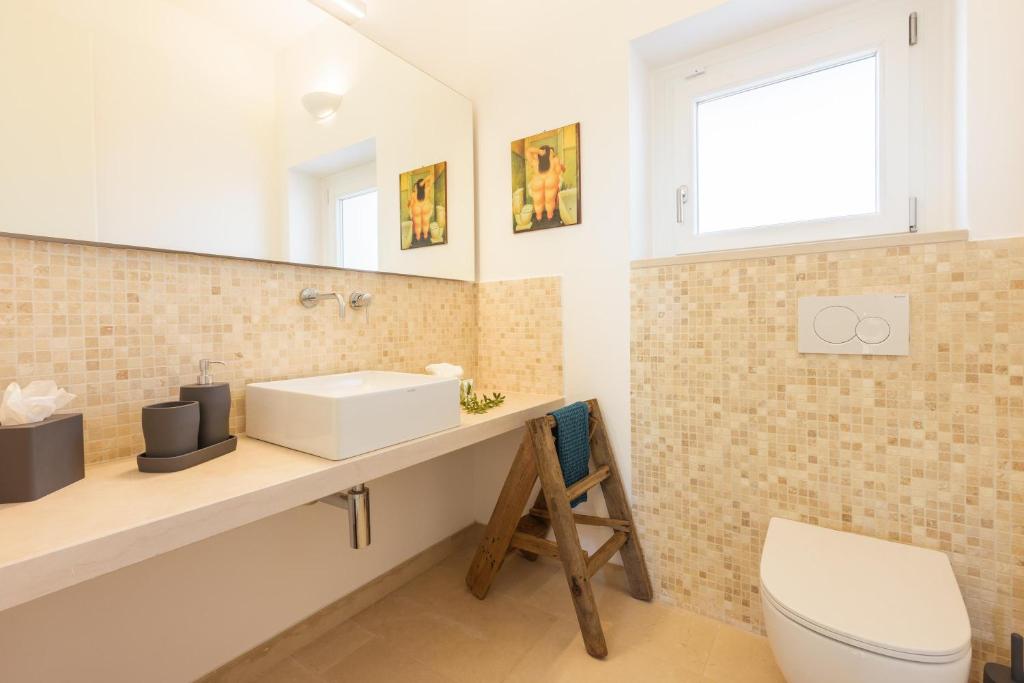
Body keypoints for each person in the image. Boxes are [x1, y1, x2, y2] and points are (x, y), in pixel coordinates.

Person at [526, 145, 565, 222]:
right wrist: (562, 167)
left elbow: (528, 150)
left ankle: (539, 217)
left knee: (537, 202)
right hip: (550, 180)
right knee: (550, 201)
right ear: (550, 153)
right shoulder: (555, 160)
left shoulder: (535, 162)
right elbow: (559, 172)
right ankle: (549, 216)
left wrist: (539, 151)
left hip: (537, 182)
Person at [408, 176, 433, 242]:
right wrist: (423, 182)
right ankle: (425, 235)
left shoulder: (413, 194)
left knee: (417, 225)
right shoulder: (427, 190)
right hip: (426, 207)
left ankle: (418, 237)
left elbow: (410, 205)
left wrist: (410, 213)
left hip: (416, 208)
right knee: (426, 223)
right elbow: (431, 177)